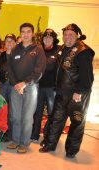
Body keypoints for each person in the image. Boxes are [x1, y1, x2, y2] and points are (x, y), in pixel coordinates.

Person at [39, 24, 95, 158]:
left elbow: (87, 77)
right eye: (65, 34)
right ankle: (50, 144)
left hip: (77, 95)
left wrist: (79, 92)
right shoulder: (63, 48)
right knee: (56, 119)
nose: (67, 37)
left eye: (71, 35)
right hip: (62, 92)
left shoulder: (83, 52)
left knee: (76, 123)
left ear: (77, 36)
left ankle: (71, 150)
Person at [6, 23, 46, 153]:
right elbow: (10, 69)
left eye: (28, 31)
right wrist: (16, 84)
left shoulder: (38, 49)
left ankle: (24, 143)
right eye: (23, 31)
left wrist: (24, 83)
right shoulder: (15, 49)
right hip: (15, 87)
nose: (25, 34)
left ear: (32, 34)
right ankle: (15, 140)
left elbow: (39, 70)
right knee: (15, 116)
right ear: (20, 33)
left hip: (31, 86)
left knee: (27, 117)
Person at [31, 29, 59, 143]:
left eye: (50, 37)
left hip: (52, 87)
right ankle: (34, 134)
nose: (47, 39)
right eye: (45, 37)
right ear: (42, 39)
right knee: (37, 112)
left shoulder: (59, 51)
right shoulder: (38, 50)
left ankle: (48, 136)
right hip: (38, 86)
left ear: (54, 39)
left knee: (51, 113)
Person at [0, 34, 16, 142]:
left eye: (11, 41)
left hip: (13, 85)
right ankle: (1, 132)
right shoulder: (1, 55)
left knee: (12, 110)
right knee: (2, 109)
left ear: (15, 43)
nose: (9, 43)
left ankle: (10, 133)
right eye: (7, 41)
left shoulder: (18, 55)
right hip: (2, 84)